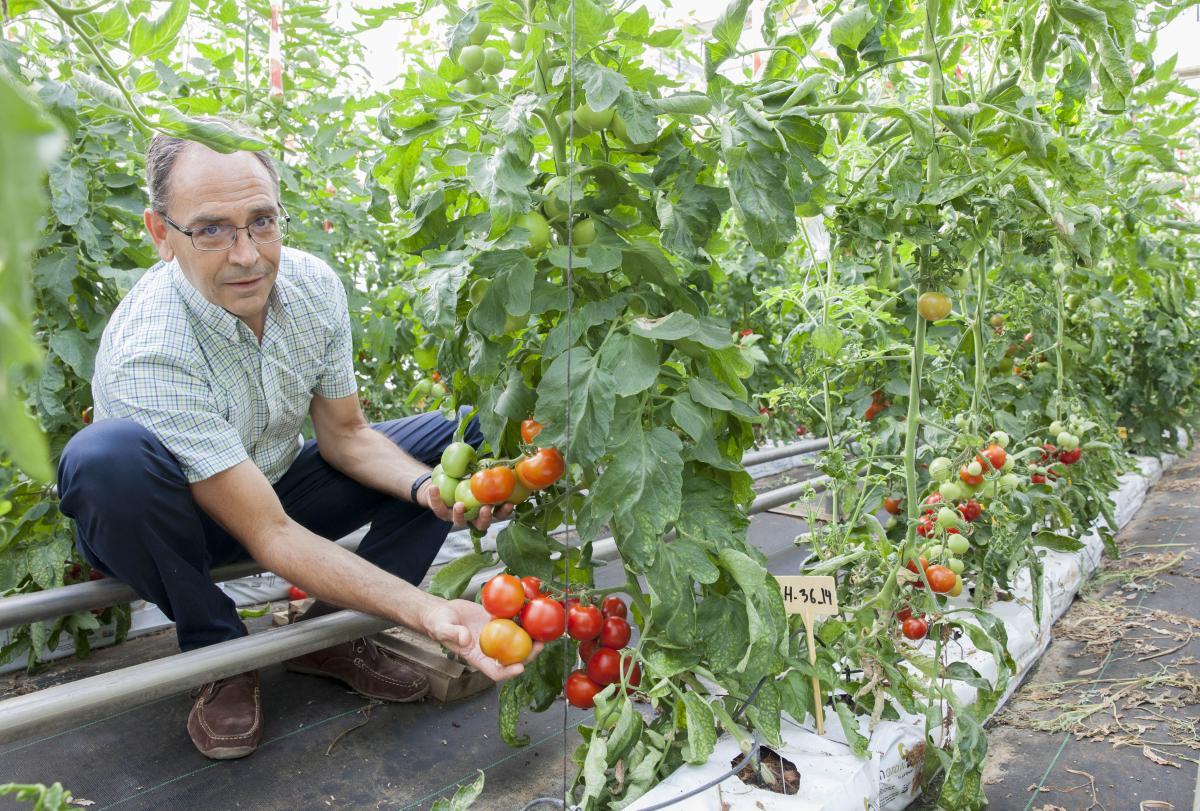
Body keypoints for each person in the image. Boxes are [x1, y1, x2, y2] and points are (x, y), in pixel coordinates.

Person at [55, 119, 535, 761]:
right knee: (103, 460)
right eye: (212, 229)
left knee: (461, 437)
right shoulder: (152, 347)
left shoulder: (311, 287)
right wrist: (427, 611)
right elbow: (269, 534)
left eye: (261, 220)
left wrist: (427, 489)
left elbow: (347, 436)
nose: (247, 253)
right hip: (160, 522)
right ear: (161, 235)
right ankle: (221, 652)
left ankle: (334, 636)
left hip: (266, 486)